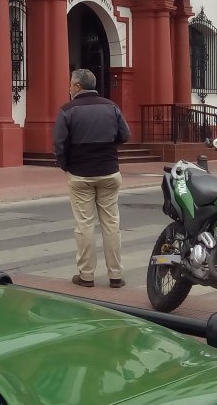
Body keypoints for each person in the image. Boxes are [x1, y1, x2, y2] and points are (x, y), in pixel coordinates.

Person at [53, 68, 131, 289]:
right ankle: (116, 275)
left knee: (85, 225)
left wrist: (66, 166)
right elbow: (125, 135)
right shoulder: (111, 107)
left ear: (77, 86)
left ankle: (86, 275)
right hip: (109, 171)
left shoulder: (68, 110)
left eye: (70, 84)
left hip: (80, 174)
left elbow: (59, 144)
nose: (69, 88)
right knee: (111, 224)